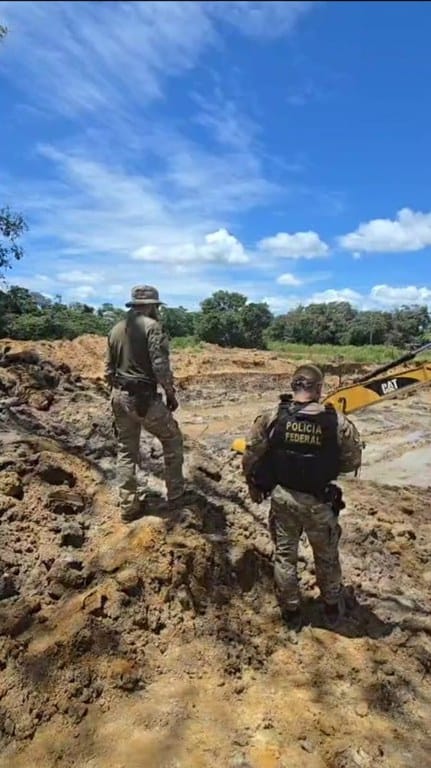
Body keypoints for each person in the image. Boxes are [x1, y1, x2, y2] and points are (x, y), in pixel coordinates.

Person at [242, 364, 362, 631]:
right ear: (319, 389)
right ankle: (331, 609)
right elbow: (352, 460)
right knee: (327, 556)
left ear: (294, 386)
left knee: (285, 557)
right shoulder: (337, 421)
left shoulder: (272, 416)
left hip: (284, 499)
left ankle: (292, 613)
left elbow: (251, 453)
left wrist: (252, 482)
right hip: (319, 502)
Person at [105, 285, 185, 521]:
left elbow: (108, 370)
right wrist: (170, 395)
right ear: (151, 306)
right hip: (143, 398)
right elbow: (160, 367)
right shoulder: (153, 328)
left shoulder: (115, 329)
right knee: (172, 439)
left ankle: (128, 506)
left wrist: (116, 395)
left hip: (119, 395)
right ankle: (176, 496)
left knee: (126, 450)